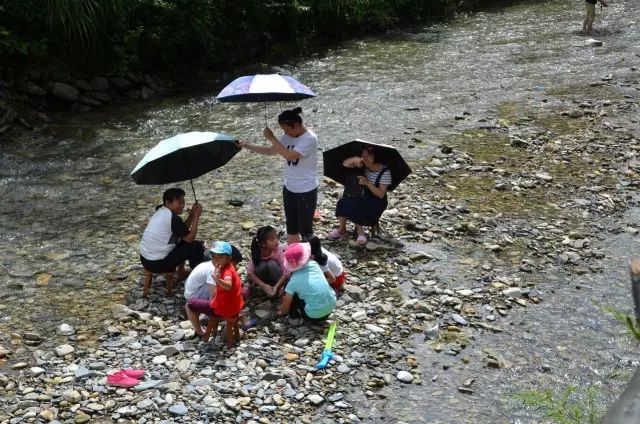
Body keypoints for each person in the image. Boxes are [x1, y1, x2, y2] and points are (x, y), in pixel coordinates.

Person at [238, 107, 318, 244]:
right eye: (284, 131)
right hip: (289, 188)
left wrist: (271, 137)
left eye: (287, 130)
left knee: (305, 230)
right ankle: (293, 256)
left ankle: (308, 259)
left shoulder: (310, 138)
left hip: (306, 190)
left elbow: (290, 156)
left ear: (297, 125)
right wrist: (246, 145)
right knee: (291, 226)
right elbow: (271, 151)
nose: (286, 133)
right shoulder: (289, 136)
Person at [328, 144, 392, 245]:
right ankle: (342, 229)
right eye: (363, 156)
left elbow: (380, 194)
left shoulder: (384, 171)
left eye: (369, 156)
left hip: (376, 201)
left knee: (355, 205)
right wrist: (354, 159)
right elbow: (344, 164)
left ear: (376, 156)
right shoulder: (362, 164)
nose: (365, 159)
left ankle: (361, 232)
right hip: (361, 195)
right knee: (343, 202)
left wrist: (367, 183)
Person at [139, 188, 204, 275]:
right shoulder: (172, 218)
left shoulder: (160, 209)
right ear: (167, 203)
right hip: (157, 263)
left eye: (183, 202)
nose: (182, 205)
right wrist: (196, 217)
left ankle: (181, 272)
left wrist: (192, 214)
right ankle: (197, 274)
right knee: (196, 246)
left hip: (145, 259)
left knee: (182, 240)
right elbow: (190, 238)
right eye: (179, 203)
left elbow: (182, 231)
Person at [185, 241, 244, 337]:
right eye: (214, 257)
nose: (216, 260)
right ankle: (200, 327)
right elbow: (213, 292)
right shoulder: (216, 269)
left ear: (229, 258)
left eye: (220, 257)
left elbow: (223, 289)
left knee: (189, 305)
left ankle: (200, 329)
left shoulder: (223, 269)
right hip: (194, 292)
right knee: (189, 302)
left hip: (206, 291)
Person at [278, 242, 336, 323]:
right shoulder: (314, 264)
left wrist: (282, 311)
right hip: (331, 308)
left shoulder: (293, 281)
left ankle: (294, 318)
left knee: (291, 292)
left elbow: (286, 308)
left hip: (314, 316)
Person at [246, 225, 289, 298]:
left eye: (276, 238)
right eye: (272, 240)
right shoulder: (257, 252)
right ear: (263, 244)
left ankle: (278, 287)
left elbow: (286, 272)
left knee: (271, 264)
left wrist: (276, 287)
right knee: (260, 265)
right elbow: (250, 272)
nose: (276, 241)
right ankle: (264, 285)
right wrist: (263, 285)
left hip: (276, 277)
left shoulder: (277, 250)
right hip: (263, 278)